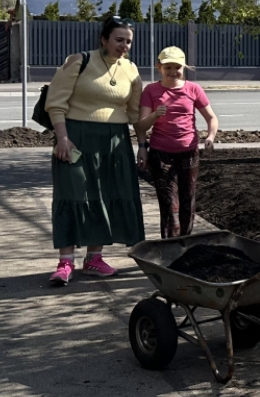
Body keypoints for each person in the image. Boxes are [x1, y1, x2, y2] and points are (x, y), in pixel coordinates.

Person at [44, 14, 147, 286]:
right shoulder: (79, 61)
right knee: (71, 194)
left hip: (114, 141)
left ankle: (94, 259)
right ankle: (65, 262)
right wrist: (62, 138)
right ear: (104, 39)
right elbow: (55, 103)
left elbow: (134, 113)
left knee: (105, 196)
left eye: (128, 41)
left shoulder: (131, 70)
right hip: (75, 138)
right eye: (119, 40)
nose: (124, 46)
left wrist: (143, 144)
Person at [136, 46, 218, 238]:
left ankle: (185, 244)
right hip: (161, 155)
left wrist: (210, 137)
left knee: (187, 202)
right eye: (168, 67)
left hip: (189, 154)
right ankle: (170, 247)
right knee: (169, 205)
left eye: (177, 67)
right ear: (159, 67)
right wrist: (154, 116)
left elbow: (211, 118)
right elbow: (140, 126)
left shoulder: (193, 89)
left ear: (184, 67)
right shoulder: (151, 90)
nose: (173, 72)